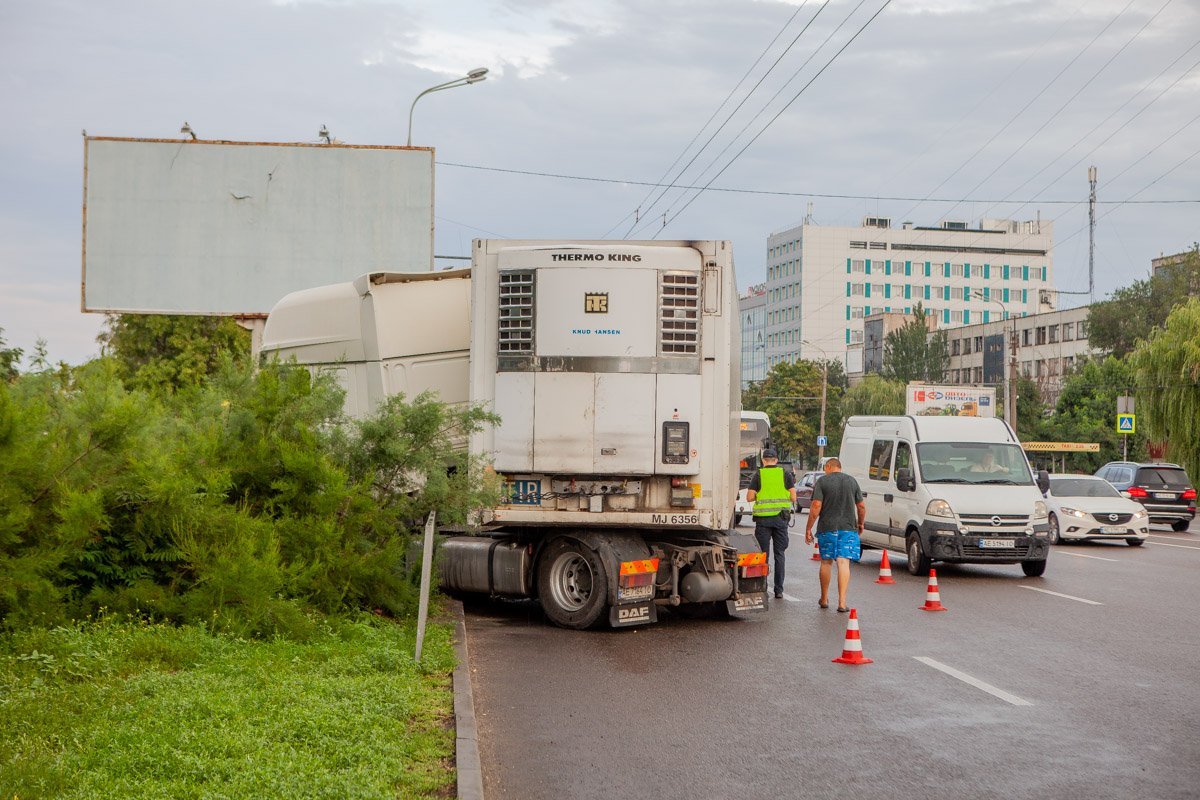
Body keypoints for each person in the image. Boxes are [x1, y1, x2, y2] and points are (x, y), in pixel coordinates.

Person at [804, 457, 865, 613]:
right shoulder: (852, 481)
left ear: (830, 466)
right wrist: (860, 523)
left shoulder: (823, 482)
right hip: (848, 528)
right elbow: (861, 506)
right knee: (843, 562)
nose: (825, 471)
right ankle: (842, 603)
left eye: (825, 468)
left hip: (827, 528)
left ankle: (824, 599)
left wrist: (809, 528)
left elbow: (816, 506)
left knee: (826, 562)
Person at [746, 448, 797, 600]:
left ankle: (762, 588)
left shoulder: (759, 475)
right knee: (779, 555)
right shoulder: (784, 474)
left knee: (763, 556)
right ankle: (779, 590)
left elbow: (749, 497)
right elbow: (793, 497)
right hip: (781, 520)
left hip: (763, 521)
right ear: (776, 460)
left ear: (763, 460)